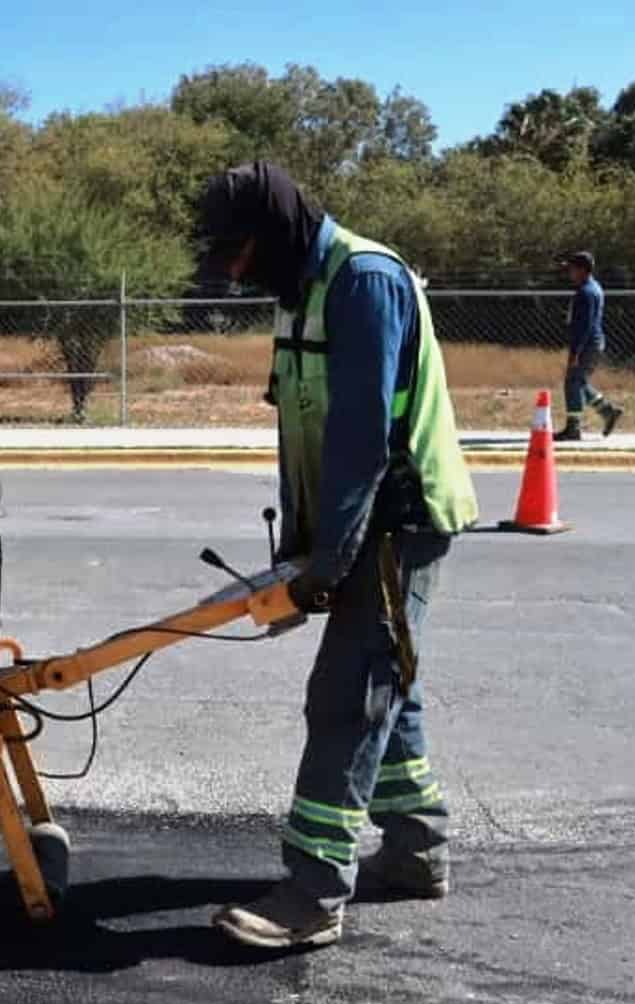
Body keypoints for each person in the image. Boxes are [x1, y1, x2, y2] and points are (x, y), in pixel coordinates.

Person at [195, 161, 479, 951]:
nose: (235, 273)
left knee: (347, 697)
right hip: (357, 523)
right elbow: (302, 423)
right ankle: (417, 850)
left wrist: (331, 559)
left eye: (239, 254)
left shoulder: (363, 283)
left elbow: (361, 439)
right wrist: (302, 543)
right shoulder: (303, 293)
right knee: (388, 684)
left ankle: (314, 892)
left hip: (397, 518)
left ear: (276, 230)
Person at [558, 250, 623, 441]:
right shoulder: (593, 287)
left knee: (572, 382)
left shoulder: (586, 292)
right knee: (578, 382)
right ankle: (608, 412)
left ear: (582, 270)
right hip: (593, 343)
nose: (569, 272)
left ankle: (573, 428)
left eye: (571, 268)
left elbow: (584, 326)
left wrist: (575, 352)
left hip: (587, 345)